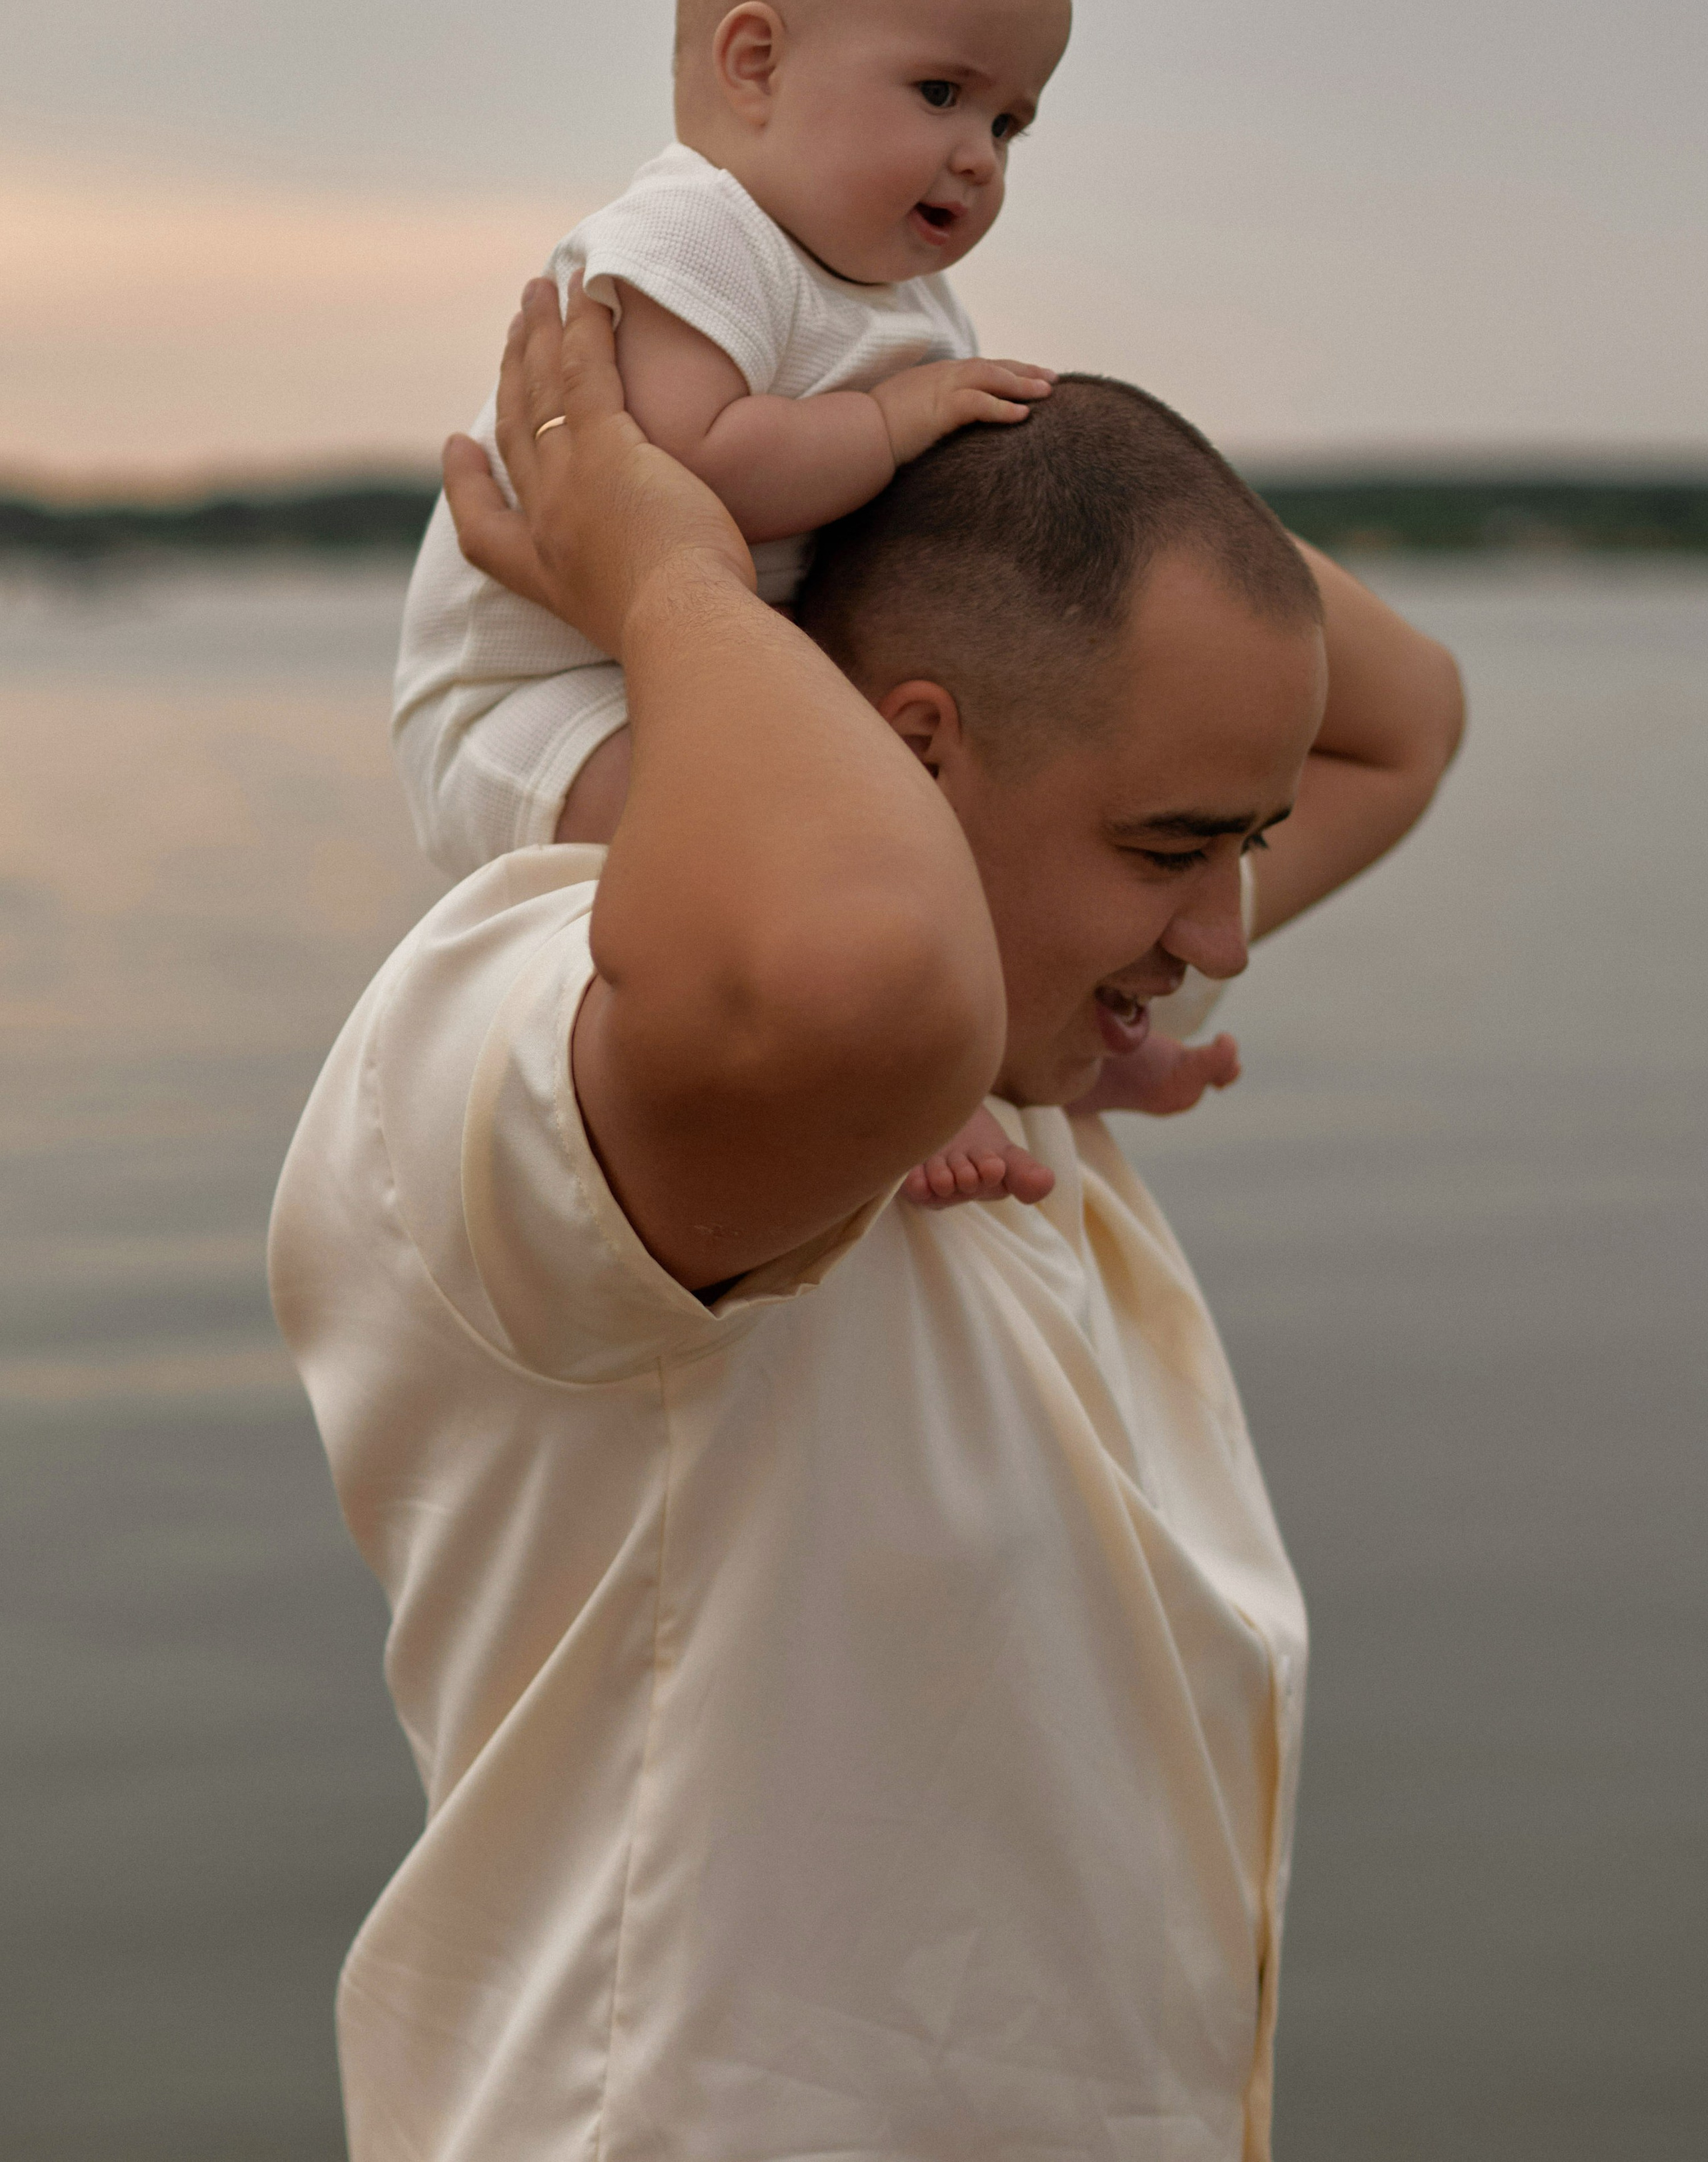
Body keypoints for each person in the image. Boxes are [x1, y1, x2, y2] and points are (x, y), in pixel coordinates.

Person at [270, 276, 1463, 2161]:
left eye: (1244, 842)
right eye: (1173, 847)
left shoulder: (1026, 1040)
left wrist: (884, 370)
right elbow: (859, 984)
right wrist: (667, 567)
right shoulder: (544, 1018)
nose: (1229, 934)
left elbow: (1403, 725)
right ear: (910, 748)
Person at [392, 0, 1236, 1208]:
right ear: (755, 62)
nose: (978, 155)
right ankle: (882, 1098)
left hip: (695, 674)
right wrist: (891, 421)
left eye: (1010, 121)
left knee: (924, 832)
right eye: (939, 94)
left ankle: (1059, 1053)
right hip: (538, 704)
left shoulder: (904, 298)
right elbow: (677, 482)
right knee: (773, 874)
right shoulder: (694, 236)